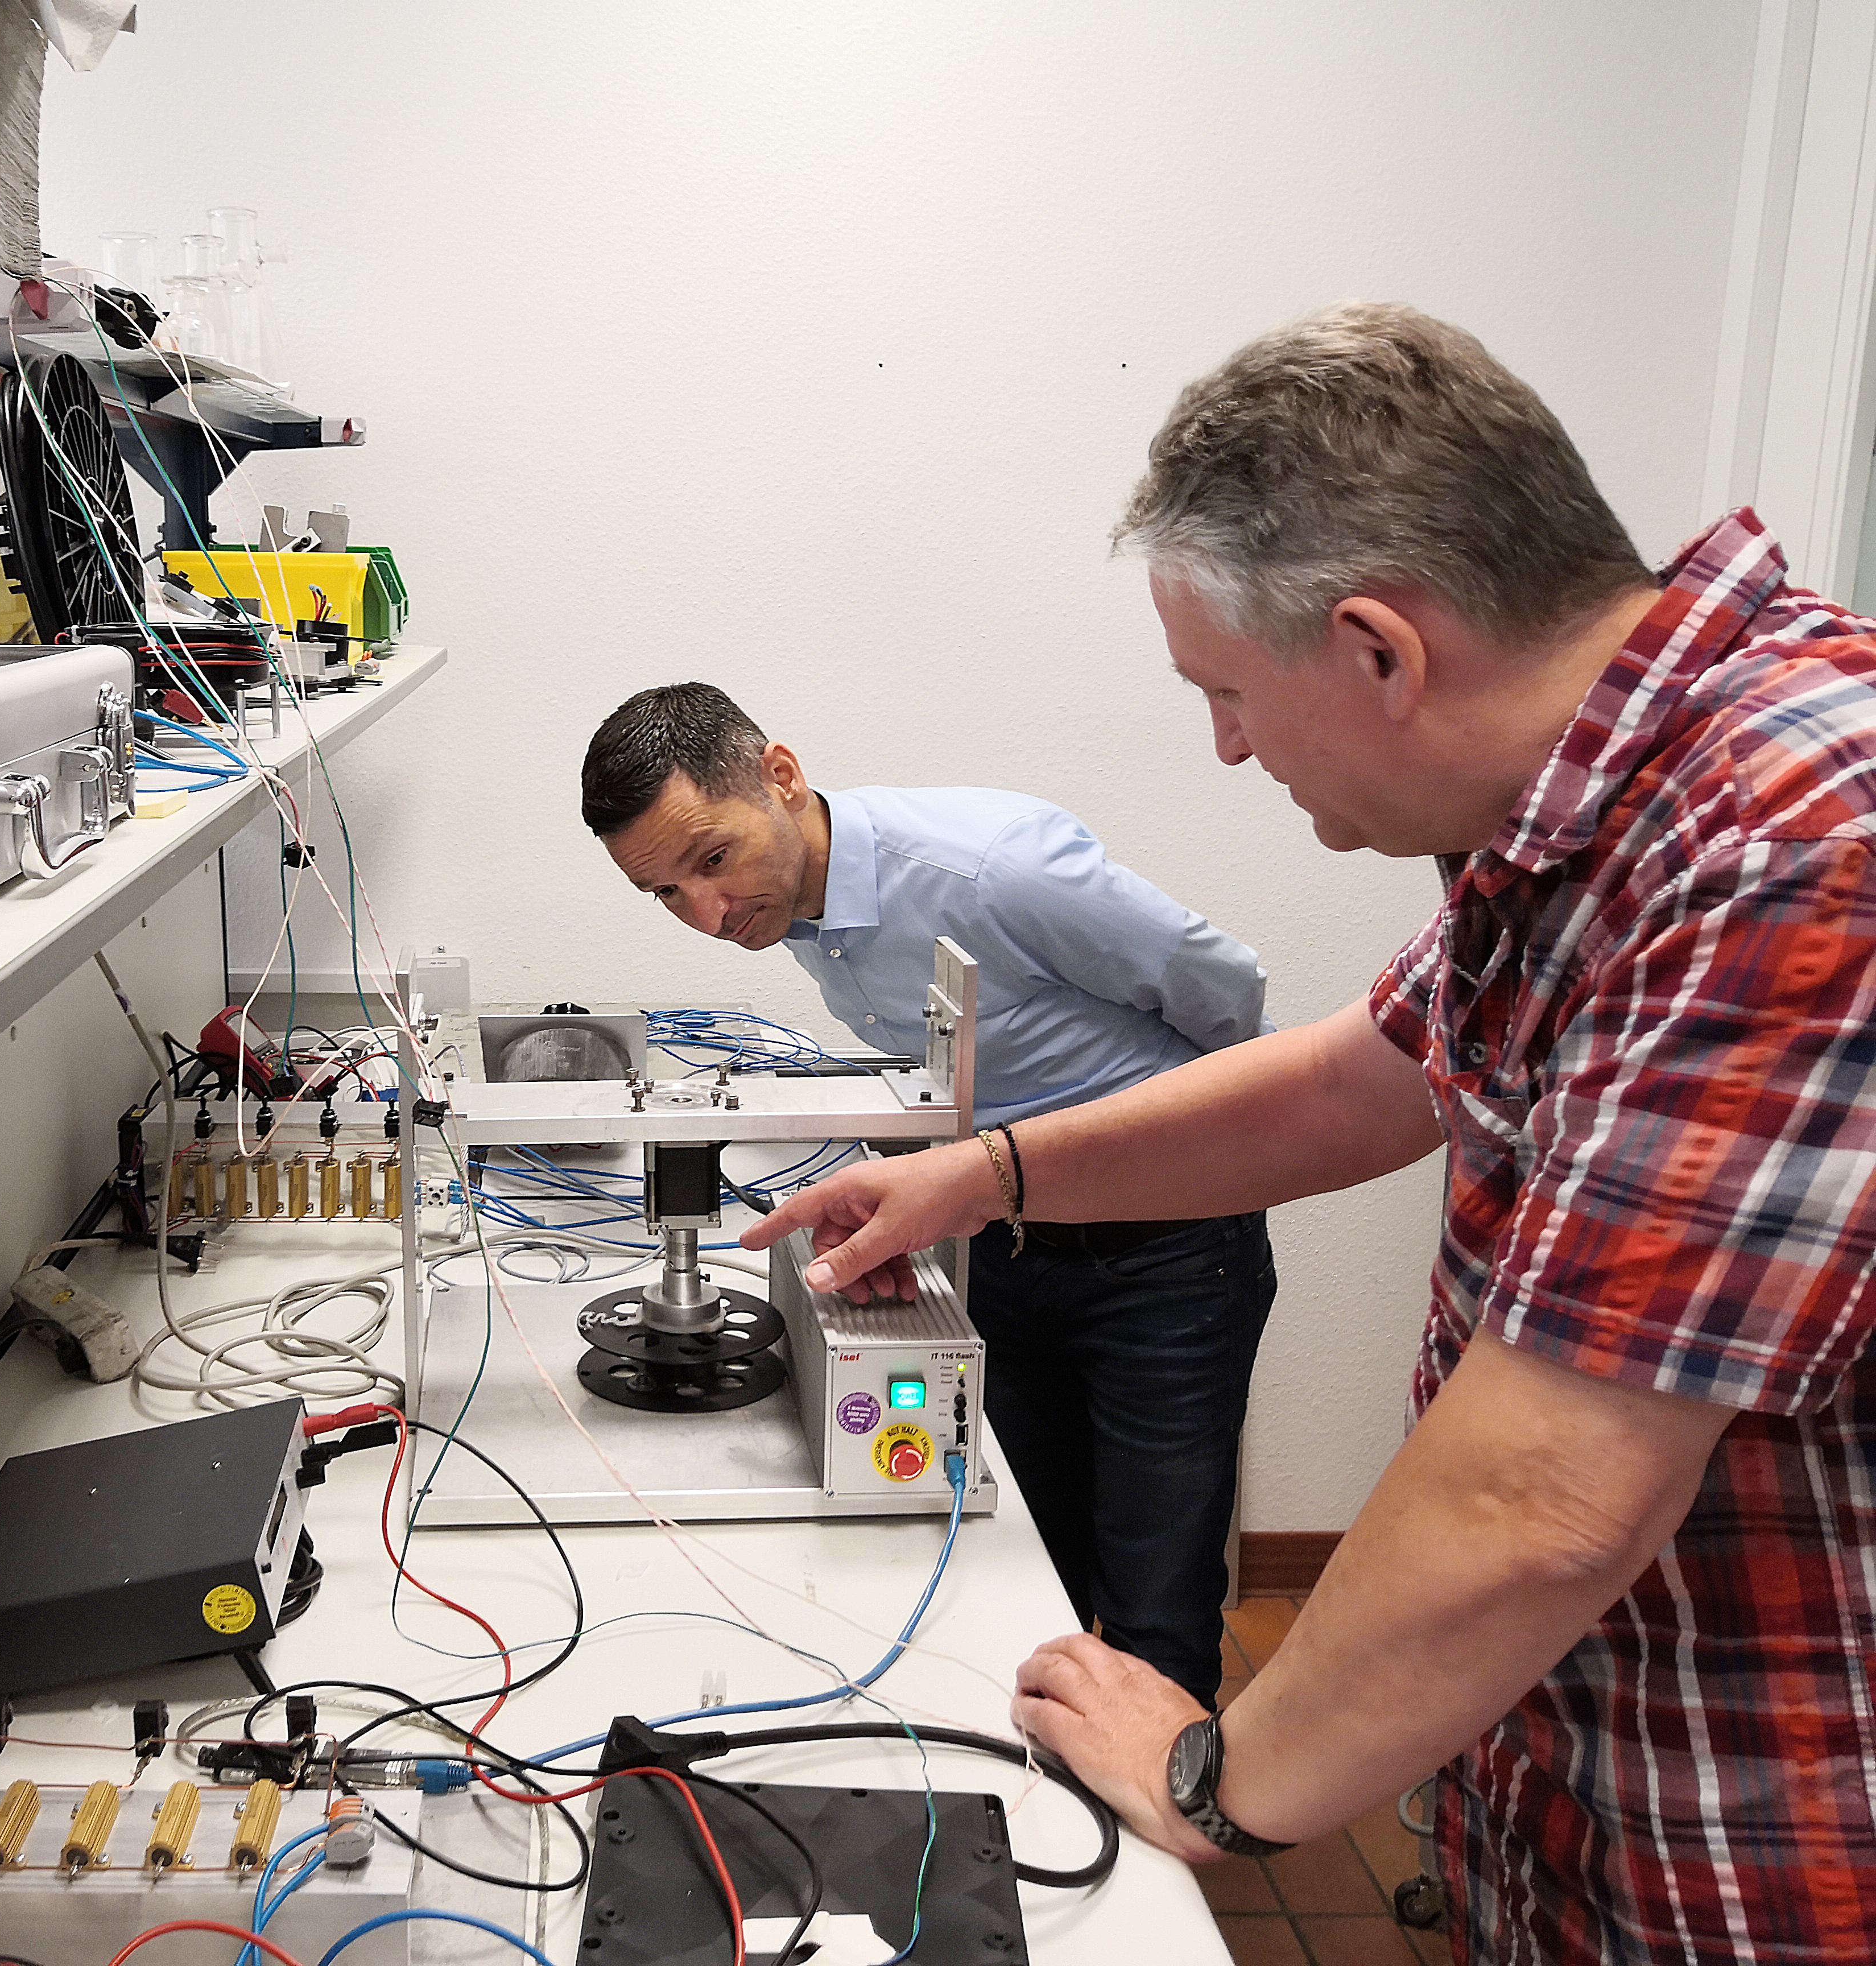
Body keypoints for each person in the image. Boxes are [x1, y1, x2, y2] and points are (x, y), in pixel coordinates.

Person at [745, 303, 1876, 1963]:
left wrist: (1217, 1780)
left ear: (1378, 649)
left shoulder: (1792, 832)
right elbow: (1362, 1077)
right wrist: (983, 1176)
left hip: (1764, 1837)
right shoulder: (1596, 804)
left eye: (1226, 694)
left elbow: (1549, 1503)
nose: (1227, 748)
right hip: (1572, 1769)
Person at [579, 682, 1274, 1707]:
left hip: (1165, 1259)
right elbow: (967, 1075)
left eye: (713, 860)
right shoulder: (804, 917)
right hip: (1009, 1242)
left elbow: (1228, 996)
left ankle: (1176, 1831)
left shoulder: (989, 867)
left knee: (1156, 1607)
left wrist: (1167, 1157)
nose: (708, 915)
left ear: (781, 777)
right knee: (1023, 1561)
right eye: (666, 895)